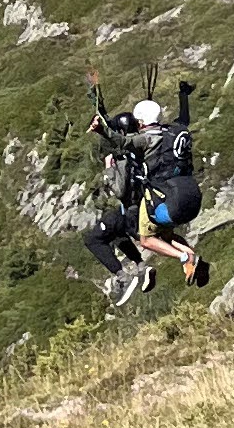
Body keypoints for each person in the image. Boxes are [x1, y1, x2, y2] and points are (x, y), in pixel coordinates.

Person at [85, 84, 204, 307]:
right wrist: (183, 95)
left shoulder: (144, 141)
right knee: (165, 237)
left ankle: (182, 258)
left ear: (140, 122)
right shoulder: (177, 130)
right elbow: (184, 117)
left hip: (163, 201)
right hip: (190, 194)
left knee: (146, 239)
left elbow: (122, 142)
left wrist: (102, 132)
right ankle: (192, 257)